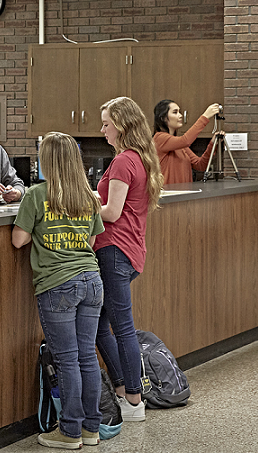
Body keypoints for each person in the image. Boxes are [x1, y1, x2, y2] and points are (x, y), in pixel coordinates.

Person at [12, 132, 105, 449]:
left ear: (46, 162)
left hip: (57, 285)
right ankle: (91, 429)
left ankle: (69, 432)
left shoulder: (36, 195)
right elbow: (92, 242)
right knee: (87, 358)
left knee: (67, 361)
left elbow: (18, 241)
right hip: (92, 280)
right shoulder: (89, 196)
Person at [94, 96, 163, 422]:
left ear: (121, 125)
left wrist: (82, 200)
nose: (103, 129)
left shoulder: (122, 161)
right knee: (100, 326)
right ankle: (123, 390)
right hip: (130, 251)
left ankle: (133, 400)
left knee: (121, 328)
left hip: (114, 251)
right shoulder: (140, 158)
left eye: (106, 123)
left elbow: (111, 211)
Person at [152, 100, 223, 185]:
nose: (180, 115)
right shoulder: (159, 138)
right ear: (163, 118)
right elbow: (185, 140)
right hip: (168, 195)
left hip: (184, 195)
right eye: (175, 112)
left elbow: (200, 165)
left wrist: (212, 144)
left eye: (180, 112)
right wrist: (205, 116)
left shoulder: (179, 144)